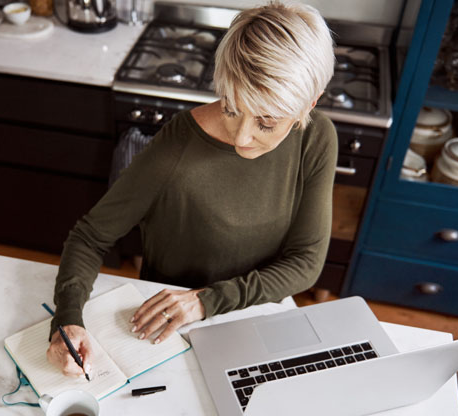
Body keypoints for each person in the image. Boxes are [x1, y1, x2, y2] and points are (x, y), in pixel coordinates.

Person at [46, 1, 337, 378]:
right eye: (232, 108)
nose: (242, 137)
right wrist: (66, 320)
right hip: (167, 329)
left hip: (257, 314)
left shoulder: (316, 137)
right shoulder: (178, 144)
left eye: (266, 121)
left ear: (307, 105)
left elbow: (306, 262)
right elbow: (89, 237)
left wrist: (207, 300)